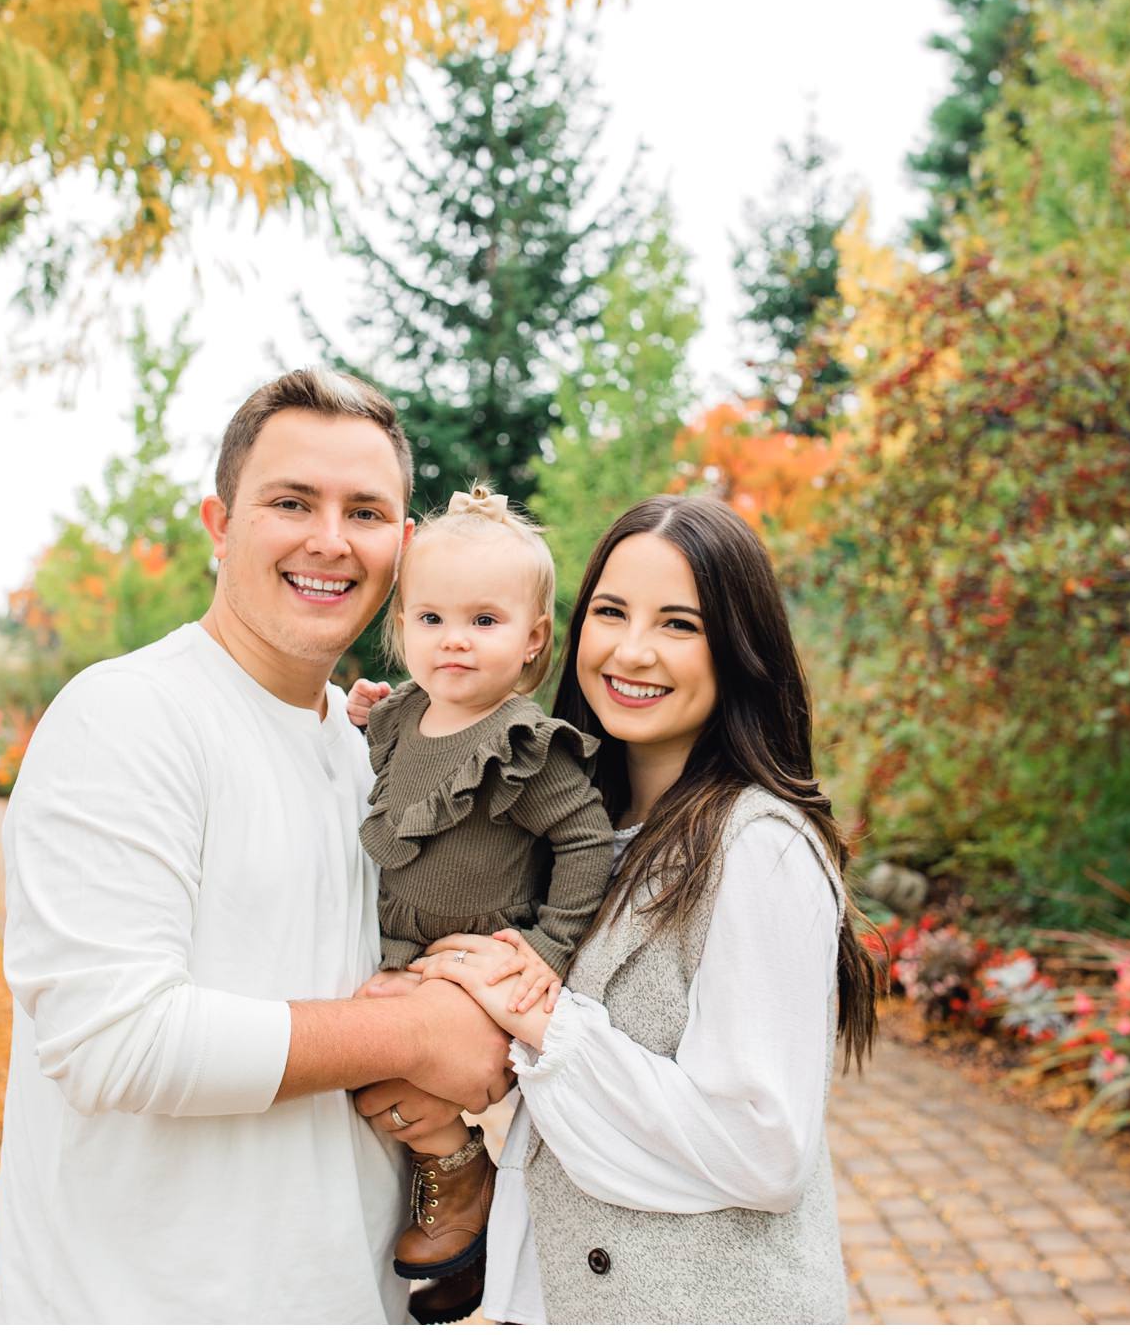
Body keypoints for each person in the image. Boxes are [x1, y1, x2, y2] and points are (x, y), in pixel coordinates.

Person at [0, 369, 515, 1324]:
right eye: (290, 502)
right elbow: (115, 1040)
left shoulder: (371, 760)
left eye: (364, 511)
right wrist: (417, 1033)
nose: (328, 538)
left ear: (402, 548)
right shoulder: (128, 716)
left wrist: (444, 1079)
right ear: (220, 524)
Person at [358, 494, 881, 1323]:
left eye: (680, 624)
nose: (632, 651)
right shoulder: (589, 829)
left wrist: (544, 1022)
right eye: (611, 612)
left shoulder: (759, 847)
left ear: (739, 649)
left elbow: (766, 1151)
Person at [342, 484, 615, 1321]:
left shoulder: (521, 745)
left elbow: (586, 839)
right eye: (430, 621)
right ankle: (468, 1215)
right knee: (368, 1075)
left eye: (484, 622)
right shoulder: (402, 719)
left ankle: (461, 1177)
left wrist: (551, 945)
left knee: (395, 1084)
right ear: (402, 628)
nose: (454, 640)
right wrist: (360, 716)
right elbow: (380, 774)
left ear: (533, 640)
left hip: (473, 965)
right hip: (399, 950)